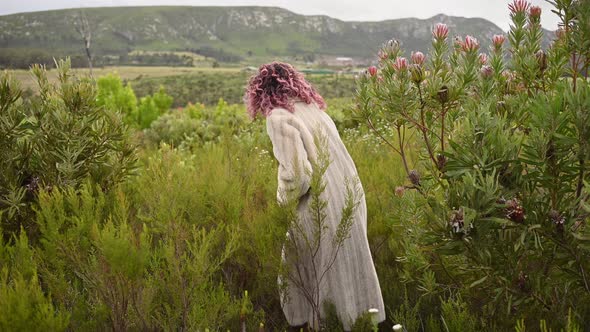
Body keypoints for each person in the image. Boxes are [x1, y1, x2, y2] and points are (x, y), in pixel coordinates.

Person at [244, 62, 385, 330]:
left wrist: (281, 202)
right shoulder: (314, 110)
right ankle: (361, 324)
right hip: (349, 199)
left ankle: (323, 324)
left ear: (260, 93)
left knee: (311, 277)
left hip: (321, 206)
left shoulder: (279, 118)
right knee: (348, 270)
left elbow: (298, 176)